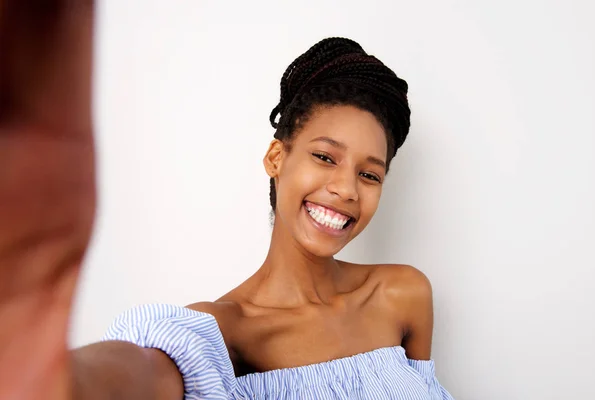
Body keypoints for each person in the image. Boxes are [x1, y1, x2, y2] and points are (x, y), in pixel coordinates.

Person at [0, 2, 453, 399]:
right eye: (324, 156)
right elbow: (136, 376)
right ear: (277, 157)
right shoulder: (223, 334)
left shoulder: (403, 295)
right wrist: (43, 370)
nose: (347, 189)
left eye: (369, 174)